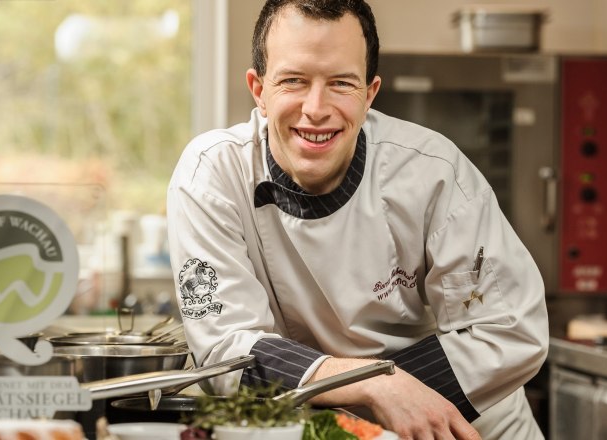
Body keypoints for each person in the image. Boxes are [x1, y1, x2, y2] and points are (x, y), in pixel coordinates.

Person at [166, 0, 549, 438]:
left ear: (370, 94)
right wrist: (371, 384)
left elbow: (510, 328)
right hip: (317, 428)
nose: (316, 108)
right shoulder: (211, 176)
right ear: (259, 90)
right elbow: (225, 349)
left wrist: (389, 393)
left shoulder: (434, 172)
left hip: (462, 425)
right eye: (293, 80)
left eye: (341, 84)